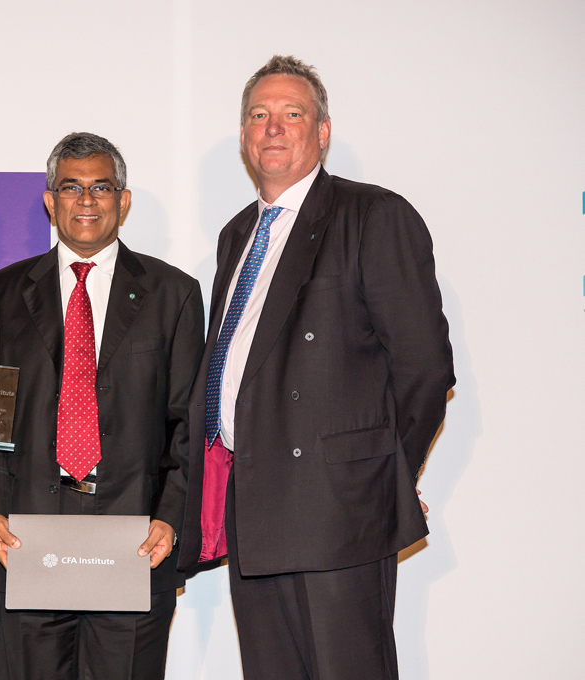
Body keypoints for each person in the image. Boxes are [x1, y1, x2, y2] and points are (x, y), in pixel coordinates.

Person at [178, 56, 455, 679]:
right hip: (254, 508)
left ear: (322, 132)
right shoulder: (236, 235)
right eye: (259, 116)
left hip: (337, 512)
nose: (273, 128)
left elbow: (425, 367)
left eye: (292, 114)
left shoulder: (373, 215)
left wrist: (377, 473)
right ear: (244, 136)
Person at [0, 132, 204, 680]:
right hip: (29, 543)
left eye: (101, 187)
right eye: (71, 188)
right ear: (50, 201)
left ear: (123, 200)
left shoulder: (175, 295)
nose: (87, 200)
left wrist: (171, 518)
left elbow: (188, 424)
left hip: (135, 545)